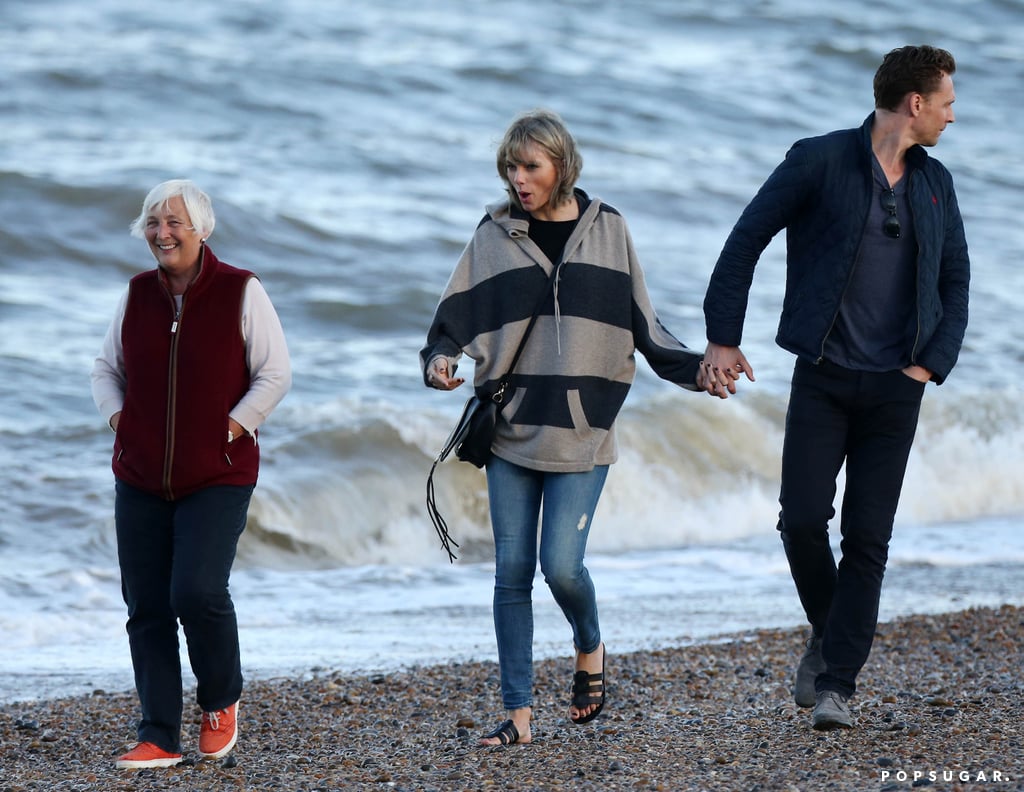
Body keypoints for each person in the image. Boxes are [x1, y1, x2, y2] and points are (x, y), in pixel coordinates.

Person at [701, 46, 970, 730]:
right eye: (946, 101)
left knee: (868, 538)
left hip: (895, 388)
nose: (951, 114)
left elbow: (956, 283)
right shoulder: (817, 161)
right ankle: (831, 631)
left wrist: (929, 365)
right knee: (800, 521)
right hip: (823, 377)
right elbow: (745, 241)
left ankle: (836, 688)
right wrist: (723, 337)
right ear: (915, 104)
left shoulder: (935, 185)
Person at [421, 109, 707, 746]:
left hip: (584, 432)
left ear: (562, 166)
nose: (518, 180)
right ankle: (518, 715)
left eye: (531, 167)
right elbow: (450, 321)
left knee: (562, 568)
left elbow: (646, 329)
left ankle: (590, 646)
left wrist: (699, 370)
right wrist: (440, 361)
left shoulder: (609, 229)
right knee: (511, 572)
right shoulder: (494, 234)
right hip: (511, 432)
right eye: (511, 168)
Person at [91, 179, 292, 768]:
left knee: (197, 592)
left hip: (219, 473)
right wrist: (121, 421)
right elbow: (106, 368)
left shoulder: (240, 290)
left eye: (174, 222)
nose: (163, 233)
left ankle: (220, 699)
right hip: (140, 475)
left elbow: (274, 373)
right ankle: (158, 733)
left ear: (201, 229)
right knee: (146, 605)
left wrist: (232, 426)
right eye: (153, 222)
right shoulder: (135, 295)